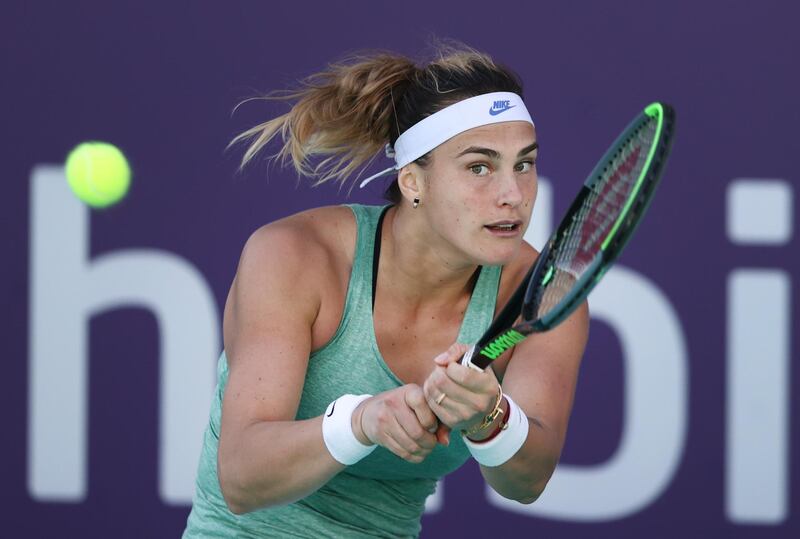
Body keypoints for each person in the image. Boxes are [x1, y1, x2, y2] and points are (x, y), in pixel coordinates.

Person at [183, 44, 588, 538]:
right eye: (480, 167)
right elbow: (243, 477)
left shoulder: (542, 293)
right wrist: (361, 421)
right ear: (413, 181)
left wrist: (490, 419)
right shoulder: (294, 255)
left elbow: (526, 481)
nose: (514, 194)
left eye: (524, 164)